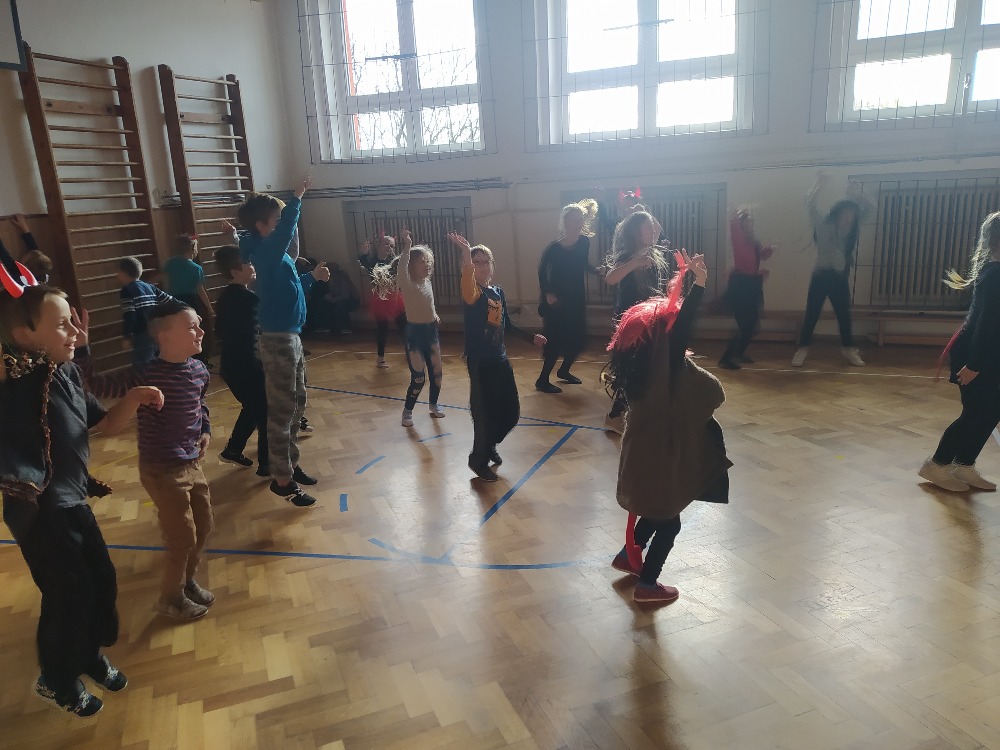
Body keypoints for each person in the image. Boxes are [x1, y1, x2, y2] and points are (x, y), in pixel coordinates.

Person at [0, 260, 162, 715]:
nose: (75, 330)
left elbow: (105, 425)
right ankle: (56, 679)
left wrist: (133, 398)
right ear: (23, 336)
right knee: (66, 594)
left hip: (72, 501)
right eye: (62, 324)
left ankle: (86, 654)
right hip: (39, 511)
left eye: (73, 320)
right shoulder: (12, 384)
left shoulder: (66, 373)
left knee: (99, 581)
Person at [78, 301, 217, 621]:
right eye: (192, 326)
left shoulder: (199, 370)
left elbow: (201, 404)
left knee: (204, 526)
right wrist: (83, 349)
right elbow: (95, 384)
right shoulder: (145, 372)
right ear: (165, 336)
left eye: (199, 324)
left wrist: (205, 429)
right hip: (161, 471)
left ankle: (187, 582)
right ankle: (170, 598)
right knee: (182, 537)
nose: (201, 331)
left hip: (192, 464)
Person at [607, 250, 731, 603]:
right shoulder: (666, 369)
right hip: (659, 456)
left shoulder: (638, 368)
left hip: (641, 454)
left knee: (657, 509)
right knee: (669, 520)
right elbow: (680, 335)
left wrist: (692, 284)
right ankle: (648, 585)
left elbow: (674, 337)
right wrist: (699, 286)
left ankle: (627, 554)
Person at [237, 180, 330, 507]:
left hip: (290, 337)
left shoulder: (274, 258)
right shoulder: (264, 253)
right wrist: (297, 198)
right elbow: (288, 228)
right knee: (282, 412)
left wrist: (312, 278)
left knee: (296, 405)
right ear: (262, 226)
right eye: (276, 221)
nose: (283, 227)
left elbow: (288, 287)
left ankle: (289, 464)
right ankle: (282, 480)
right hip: (278, 342)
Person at [447, 231, 546, 482]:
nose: (482, 266)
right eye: (476, 262)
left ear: (492, 265)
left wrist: (531, 338)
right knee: (485, 413)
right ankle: (478, 460)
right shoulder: (473, 294)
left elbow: (506, 325)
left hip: (500, 360)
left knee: (511, 413)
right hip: (480, 362)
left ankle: (490, 443)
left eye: (485, 261)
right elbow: (468, 281)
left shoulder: (497, 292)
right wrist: (466, 253)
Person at [919, 211, 1000, 492]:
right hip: (975, 355)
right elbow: (986, 325)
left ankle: (964, 464)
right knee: (975, 412)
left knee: (992, 411)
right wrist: (975, 364)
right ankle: (936, 464)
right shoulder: (994, 275)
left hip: (991, 355)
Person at [602, 206, 672, 434]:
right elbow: (610, 278)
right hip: (630, 323)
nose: (653, 231)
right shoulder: (627, 256)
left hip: (650, 318)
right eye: (647, 228)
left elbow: (658, 228)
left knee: (647, 367)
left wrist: (645, 210)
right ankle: (614, 416)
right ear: (635, 233)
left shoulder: (652, 251)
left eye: (652, 227)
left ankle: (639, 413)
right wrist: (635, 263)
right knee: (629, 370)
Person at [792, 174, 873, 368]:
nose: (849, 219)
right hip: (820, 276)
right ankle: (802, 350)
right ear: (837, 214)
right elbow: (809, 203)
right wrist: (818, 185)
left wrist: (859, 193)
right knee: (812, 314)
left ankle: (848, 349)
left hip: (839, 277)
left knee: (844, 315)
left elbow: (871, 208)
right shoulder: (823, 225)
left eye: (852, 215)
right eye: (846, 214)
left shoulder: (850, 231)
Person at [213, 244, 269, 476]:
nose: (252, 267)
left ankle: (233, 449)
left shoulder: (225, 297)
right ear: (235, 272)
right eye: (248, 263)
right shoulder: (248, 299)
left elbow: (220, 331)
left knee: (253, 407)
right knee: (266, 413)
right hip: (246, 365)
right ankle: (267, 464)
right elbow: (256, 333)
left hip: (231, 365)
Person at [535, 198, 602, 393]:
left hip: (576, 298)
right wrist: (548, 293)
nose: (578, 224)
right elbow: (542, 272)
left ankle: (564, 371)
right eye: (574, 220)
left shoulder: (584, 242)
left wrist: (596, 270)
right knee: (555, 340)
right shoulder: (554, 248)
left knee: (576, 337)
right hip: (556, 300)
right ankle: (542, 380)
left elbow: (583, 264)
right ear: (565, 222)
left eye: (580, 220)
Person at [395, 229, 445, 427]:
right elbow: (402, 267)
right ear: (411, 266)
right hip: (414, 335)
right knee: (418, 378)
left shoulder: (426, 282)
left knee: (437, 374)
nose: (427, 264)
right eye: (422, 262)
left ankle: (433, 404)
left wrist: (434, 314)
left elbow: (427, 302)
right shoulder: (408, 284)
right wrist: (407, 245)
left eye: (428, 261)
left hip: (431, 332)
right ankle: (407, 411)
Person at [719, 207, 775, 370]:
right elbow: (733, 226)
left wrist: (769, 250)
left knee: (753, 325)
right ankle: (726, 359)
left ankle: (738, 353)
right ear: (742, 225)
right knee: (745, 325)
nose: (751, 225)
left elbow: (761, 256)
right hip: (741, 287)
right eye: (748, 222)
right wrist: (735, 214)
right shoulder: (739, 240)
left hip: (752, 286)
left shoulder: (754, 242)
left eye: (751, 222)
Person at [164, 234, 215, 365]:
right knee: (196, 329)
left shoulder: (171, 264)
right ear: (192, 249)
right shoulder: (196, 268)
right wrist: (209, 308)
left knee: (179, 330)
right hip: (191, 302)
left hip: (174, 301)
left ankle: (182, 358)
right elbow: (200, 290)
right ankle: (199, 359)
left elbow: (164, 280)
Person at [116, 256, 176, 365]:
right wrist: (187, 309)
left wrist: (127, 336)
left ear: (124, 273)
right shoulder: (150, 287)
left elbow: (130, 314)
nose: (117, 275)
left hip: (142, 333)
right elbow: (170, 300)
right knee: (159, 361)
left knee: (143, 364)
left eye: (118, 272)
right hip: (157, 331)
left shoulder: (127, 290)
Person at [359, 233, 406, 368]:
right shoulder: (371, 261)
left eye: (392, 245)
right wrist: (363, 253)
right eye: (386, 244)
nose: (389, 247)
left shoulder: (394, 261)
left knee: (404, 325)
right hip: (380, 298)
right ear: (378, 245)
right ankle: (380, 358)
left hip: (395, 297)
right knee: (382, 328)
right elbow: (363, 261)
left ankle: (410, 351)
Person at [5, 213, 53, 284]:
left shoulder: (17, 274)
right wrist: (24, 226)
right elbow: (33, 249)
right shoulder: (41, 272)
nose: (24, 255)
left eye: (25, 256)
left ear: (25, 266)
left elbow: (4, 255)